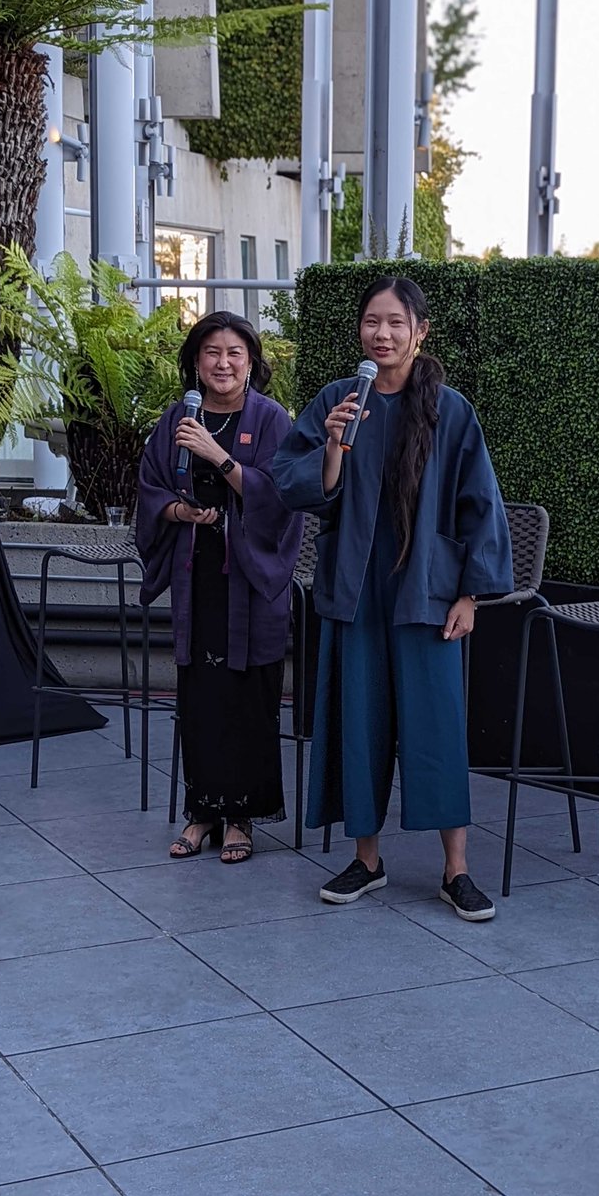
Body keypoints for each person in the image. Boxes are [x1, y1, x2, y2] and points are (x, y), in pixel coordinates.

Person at [272, 276, 513, 920]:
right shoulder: (337, 399)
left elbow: (479, 504)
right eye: (372, 323)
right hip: (355, 586)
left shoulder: (450, 409)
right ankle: (367, 860)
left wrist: (472, 595)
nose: (382, 334)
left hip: (426, 591)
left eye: (395, 323)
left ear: (419, 331)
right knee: (359, 721)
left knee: (436, 727)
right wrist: (331, 446)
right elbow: (297, 486)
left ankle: (455, 869)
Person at [136, 311, 303, 863]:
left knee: (247, 699)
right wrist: (180, 510)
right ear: (196, 362)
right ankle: (202, 811)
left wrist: (218, 456)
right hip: (196, 573)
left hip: (250, 583)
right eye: (212, 352)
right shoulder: (177, 418)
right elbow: (151, 487)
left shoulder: (272, 419)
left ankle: (242, 819)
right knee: (201, 697)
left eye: (235, 352)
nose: (223, 363)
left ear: (252, 360)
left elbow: (282, 498)